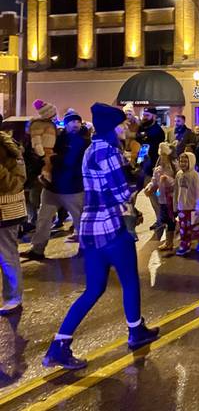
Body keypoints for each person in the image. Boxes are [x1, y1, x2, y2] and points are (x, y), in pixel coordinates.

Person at [43, 103, 159, 369]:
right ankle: (135, 331)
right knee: (130, 281)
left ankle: (59, 344)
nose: (124, 129)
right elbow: (123, 193)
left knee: (94, 289)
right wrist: (140, 173)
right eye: (120, 125)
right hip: (112, 228)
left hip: (91, 228)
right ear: (110, 127)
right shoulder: (108, 152)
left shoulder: (91, 150)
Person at [24, 110, 90, 261]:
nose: (76, 124)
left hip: (73, 189)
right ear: (65, 124)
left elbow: (72, 162)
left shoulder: (83, 141)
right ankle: (37, 249)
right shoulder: (57, 139)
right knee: (43, 219)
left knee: (80, 220)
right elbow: (43, 153)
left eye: (78, 122)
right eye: (72, 121)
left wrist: (53, 159)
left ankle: (86, 248)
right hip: (52, 187)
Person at [0, 131, 26, 316]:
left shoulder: (8, 149)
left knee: (7, 255)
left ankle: (13, 298)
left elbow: (14, 183)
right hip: (7, 208)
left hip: (6, 210)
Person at [174, 152, 199, 257]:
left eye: (185, 161)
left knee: (194, 226)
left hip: (193, 207)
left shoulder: (194, 175)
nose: (182, 163)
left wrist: (198, 206)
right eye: (181, 161)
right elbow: (176, 190)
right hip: (182, 207)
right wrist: (175, 204)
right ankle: (185, 243)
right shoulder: (178, 174)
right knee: (183, 227)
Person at [148, 142, 179, 252]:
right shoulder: (158, 169)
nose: (162, 158)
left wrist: (168, 180)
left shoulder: (174, 167)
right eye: (161, 155)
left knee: (170, 220)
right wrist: (150, 187)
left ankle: (169, 242)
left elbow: (178, 182)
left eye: (164, 155)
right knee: (165, 219)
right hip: (162, 199)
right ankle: (169, 240)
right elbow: (154, 181)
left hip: (172, 199)